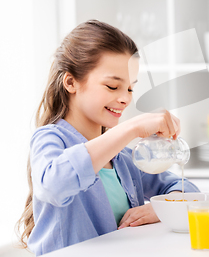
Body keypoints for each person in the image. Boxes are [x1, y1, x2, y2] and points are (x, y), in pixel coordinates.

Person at [17, 20, 199, 255]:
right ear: (71, 82)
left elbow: (187, 188)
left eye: (130, 88)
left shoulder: (122, 158)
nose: (125, 99)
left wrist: (161, 208)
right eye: (113, 87)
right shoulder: (49, 138)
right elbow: (53, 185)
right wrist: (131, 128)